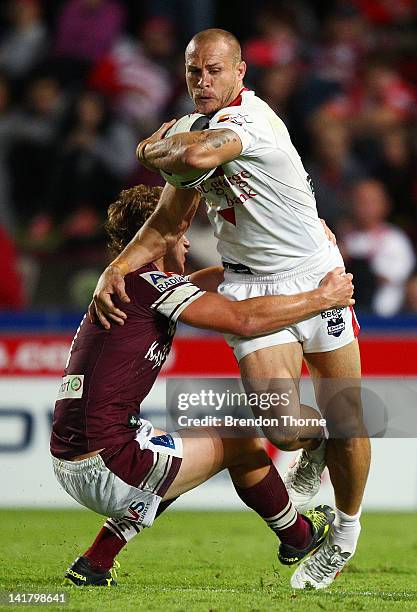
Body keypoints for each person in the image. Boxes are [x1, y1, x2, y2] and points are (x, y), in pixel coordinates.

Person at [90, 29, 370, 589]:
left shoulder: (251, 121)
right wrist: (115, 269)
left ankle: (342, 535)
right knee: (282, 431)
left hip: (318, 273)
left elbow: (191, 154)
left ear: (241, 72)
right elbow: (168, 224)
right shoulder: (195, 130)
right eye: (194, 71)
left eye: (215, 70)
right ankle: (310, 445)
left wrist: (147, 147)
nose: (203, 81)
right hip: (250, 283)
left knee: (349, 414)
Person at [51, 185, 354, 586]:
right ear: (160, 236)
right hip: (108, 461)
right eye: (180, 230)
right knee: (240, 442)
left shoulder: (133, 284)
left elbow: (228, 278)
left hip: (73, 457)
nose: (189, 240)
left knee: (181, 460)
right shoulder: (149, 285)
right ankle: (298, 536)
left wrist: (303, 251)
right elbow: (244, 319)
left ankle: (95, 562)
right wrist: (322, 296)